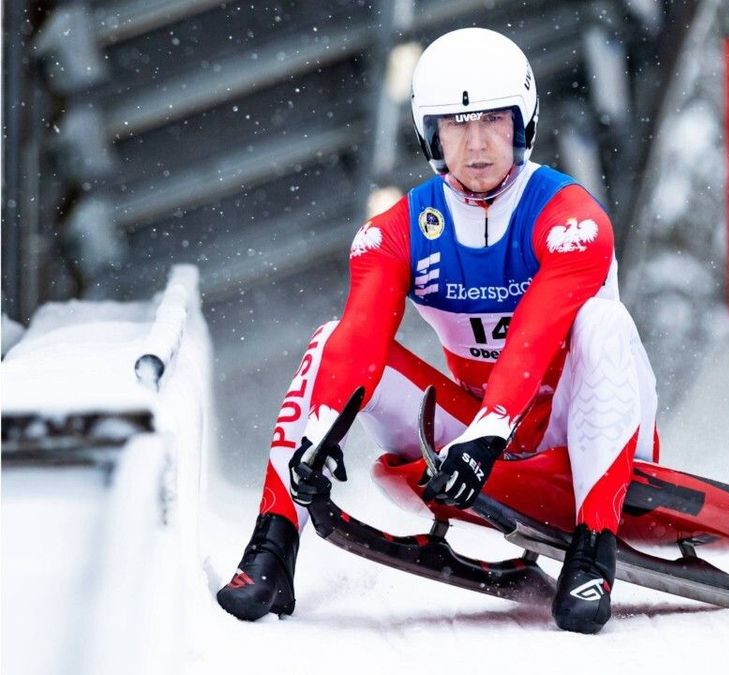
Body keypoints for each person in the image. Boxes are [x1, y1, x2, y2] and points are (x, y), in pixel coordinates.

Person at [215, 27, 658, 635]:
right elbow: (363, 335)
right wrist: (323, 434)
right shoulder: (394, 231)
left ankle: (593, 551)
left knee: (601, 321)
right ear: (431, 132)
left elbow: (538, 329)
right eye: (456, 125)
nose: (476, 145)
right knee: (327, 342)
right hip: (481, 427)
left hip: (586, 427)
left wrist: (490, 430)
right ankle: (272, 547)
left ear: (522, 123)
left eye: (493, 122)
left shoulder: (571, 217)